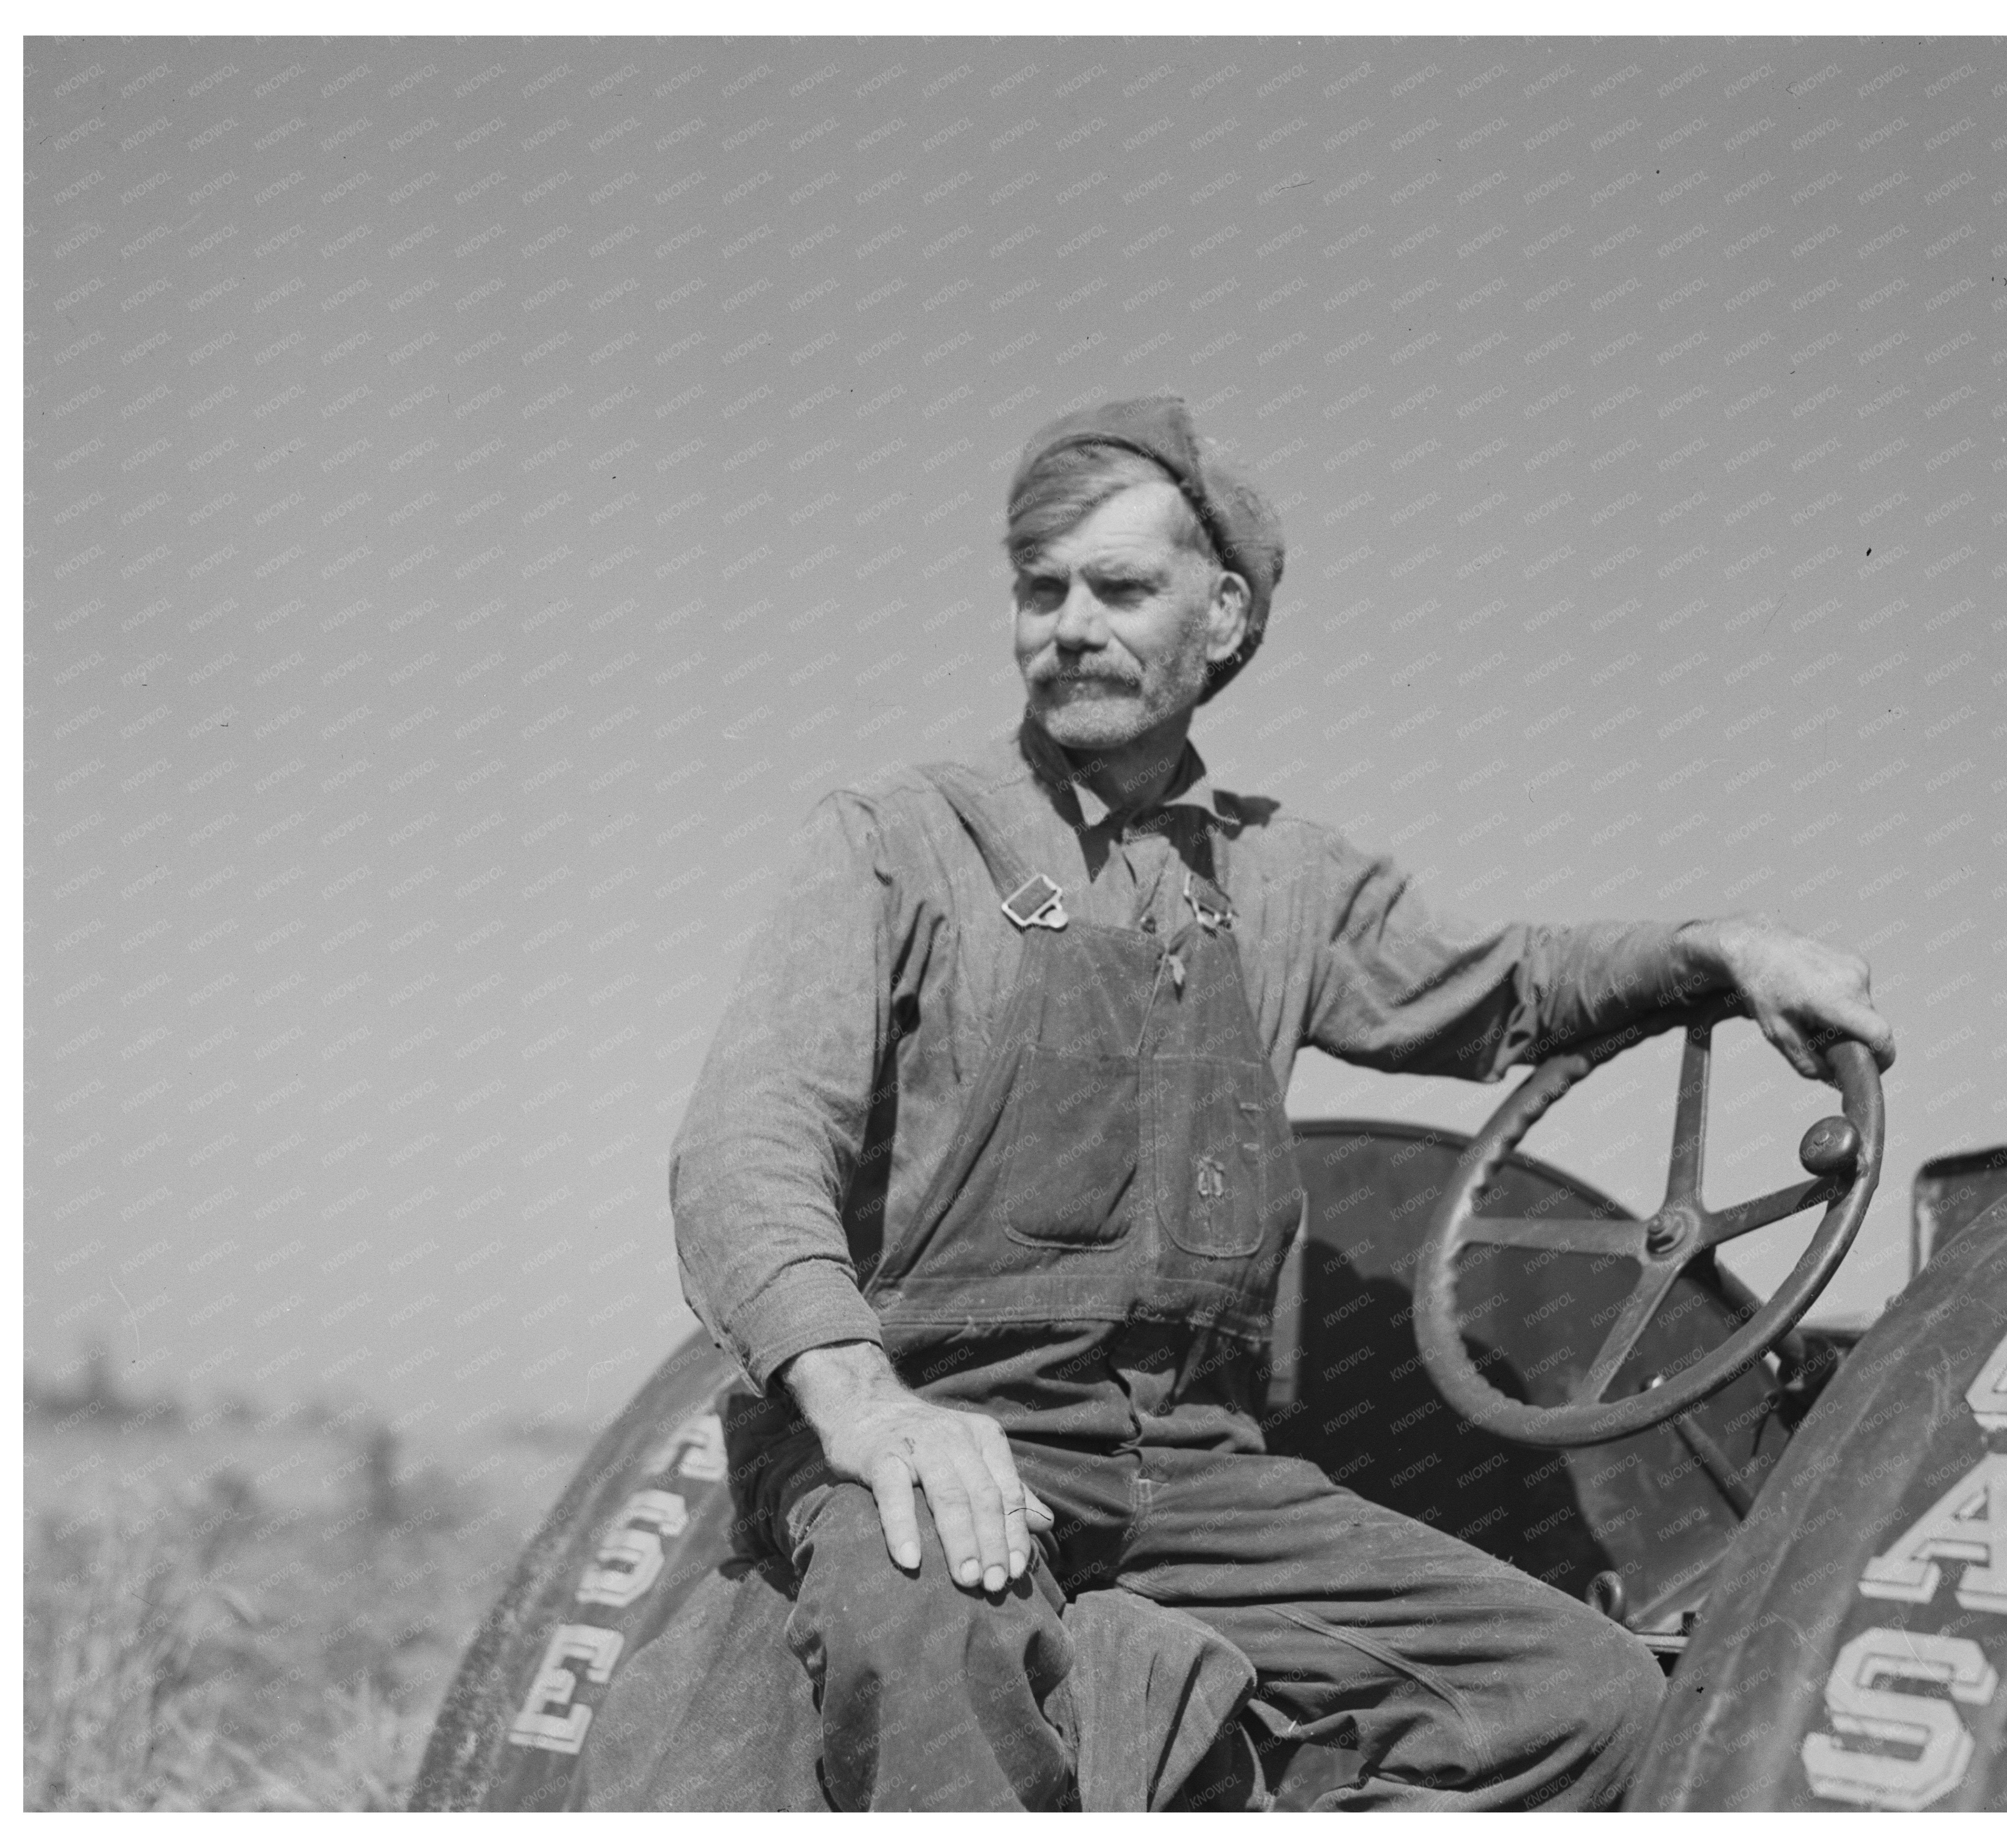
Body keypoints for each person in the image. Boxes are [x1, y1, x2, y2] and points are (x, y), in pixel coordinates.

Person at [669, 394, 1895, 1810]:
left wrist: (1715, 950)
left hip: (1190, 1469)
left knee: (1583, 1704)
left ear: (1227, 618)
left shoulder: (1283, 881)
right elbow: (743, 1149)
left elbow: (1510, 990)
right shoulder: (898, 842)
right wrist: (870, 1408)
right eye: (1039, 588)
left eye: (1121, 589)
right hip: (938, 1416)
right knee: (934, 1634)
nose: (1070, 624)